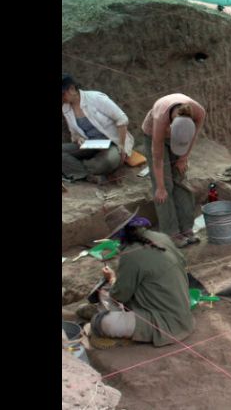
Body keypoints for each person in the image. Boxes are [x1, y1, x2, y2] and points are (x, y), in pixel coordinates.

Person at [90, 206, 195, 347]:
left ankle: (103, 320)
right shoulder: (161, 237)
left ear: (120, 235)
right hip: (184, 312)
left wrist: (112, 279)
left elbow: (120, 296)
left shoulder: (130, 255)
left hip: (164, 322)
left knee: (99, 322)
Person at [142, 94, 206, 248]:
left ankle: (187, 228)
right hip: (153, 136)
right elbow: (158, 159)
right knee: (165, 186)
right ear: (171, 126)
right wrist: (160, 187)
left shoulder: (199, 112)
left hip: (180, 135)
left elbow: (192, 137)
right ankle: (171, 233)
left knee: (180, 179)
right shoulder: (160, 119)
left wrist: (183, 157)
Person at [61, 73, 135, 184]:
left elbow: (122, 119)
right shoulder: (65, 108)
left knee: (108, 161)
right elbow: (74, 133)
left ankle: (75, 169)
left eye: (62, 94)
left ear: (71, 89)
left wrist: (121, 145)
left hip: (113, 143)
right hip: (90, 144)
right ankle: (86, 173)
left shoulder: (96, 98)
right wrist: (78, 138)